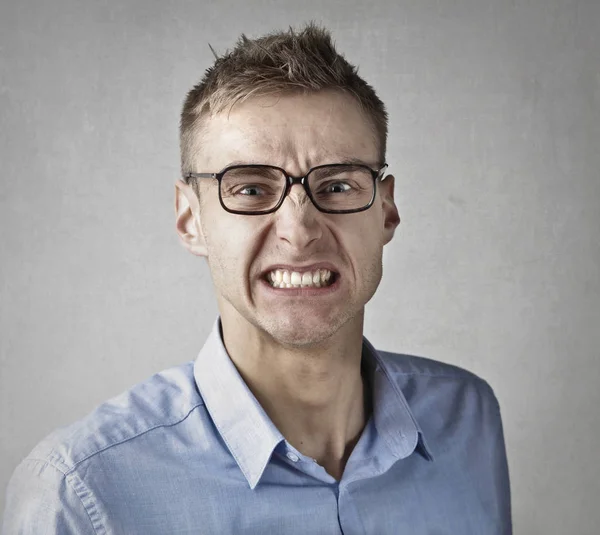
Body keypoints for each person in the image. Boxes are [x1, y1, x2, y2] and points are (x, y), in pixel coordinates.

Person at [2, 24, 512, 534]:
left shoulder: (467, 420)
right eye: (249, 189)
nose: (300, 231)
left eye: (336, 184)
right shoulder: (79, 494)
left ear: (387, 210)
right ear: (190, 219)